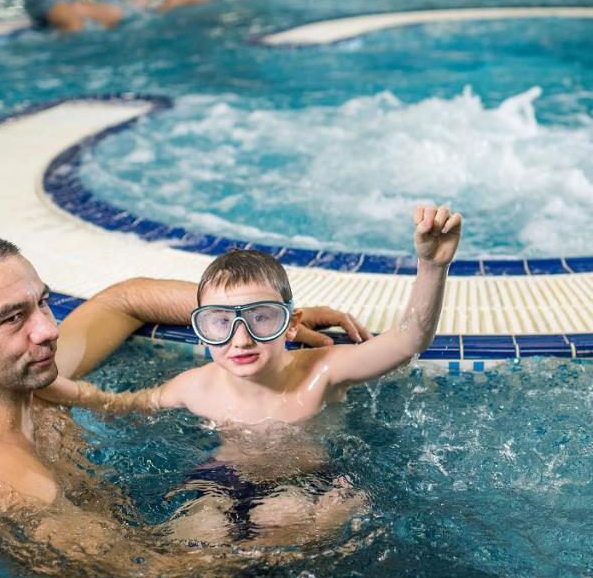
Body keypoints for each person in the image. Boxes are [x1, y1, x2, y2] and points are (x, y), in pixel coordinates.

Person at [0, 237, 367, 578]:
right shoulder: (5, 476)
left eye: (43, 303)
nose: (49, 330)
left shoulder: (26, 376)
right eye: (12, 318)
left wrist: (252, 316)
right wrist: (308, 536)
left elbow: (126, 299)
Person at [39, 204, 462, 540]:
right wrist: (65, 390)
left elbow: (407, 342)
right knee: (197, 533)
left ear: (291, 324)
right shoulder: (195, 387)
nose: (240, 340)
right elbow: (124, 405)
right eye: (220, 323)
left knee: (283, 518)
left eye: (261, 319)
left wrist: (431, 266)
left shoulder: (322, 372)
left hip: (304, 477)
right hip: (217, 479)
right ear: (201, 332)